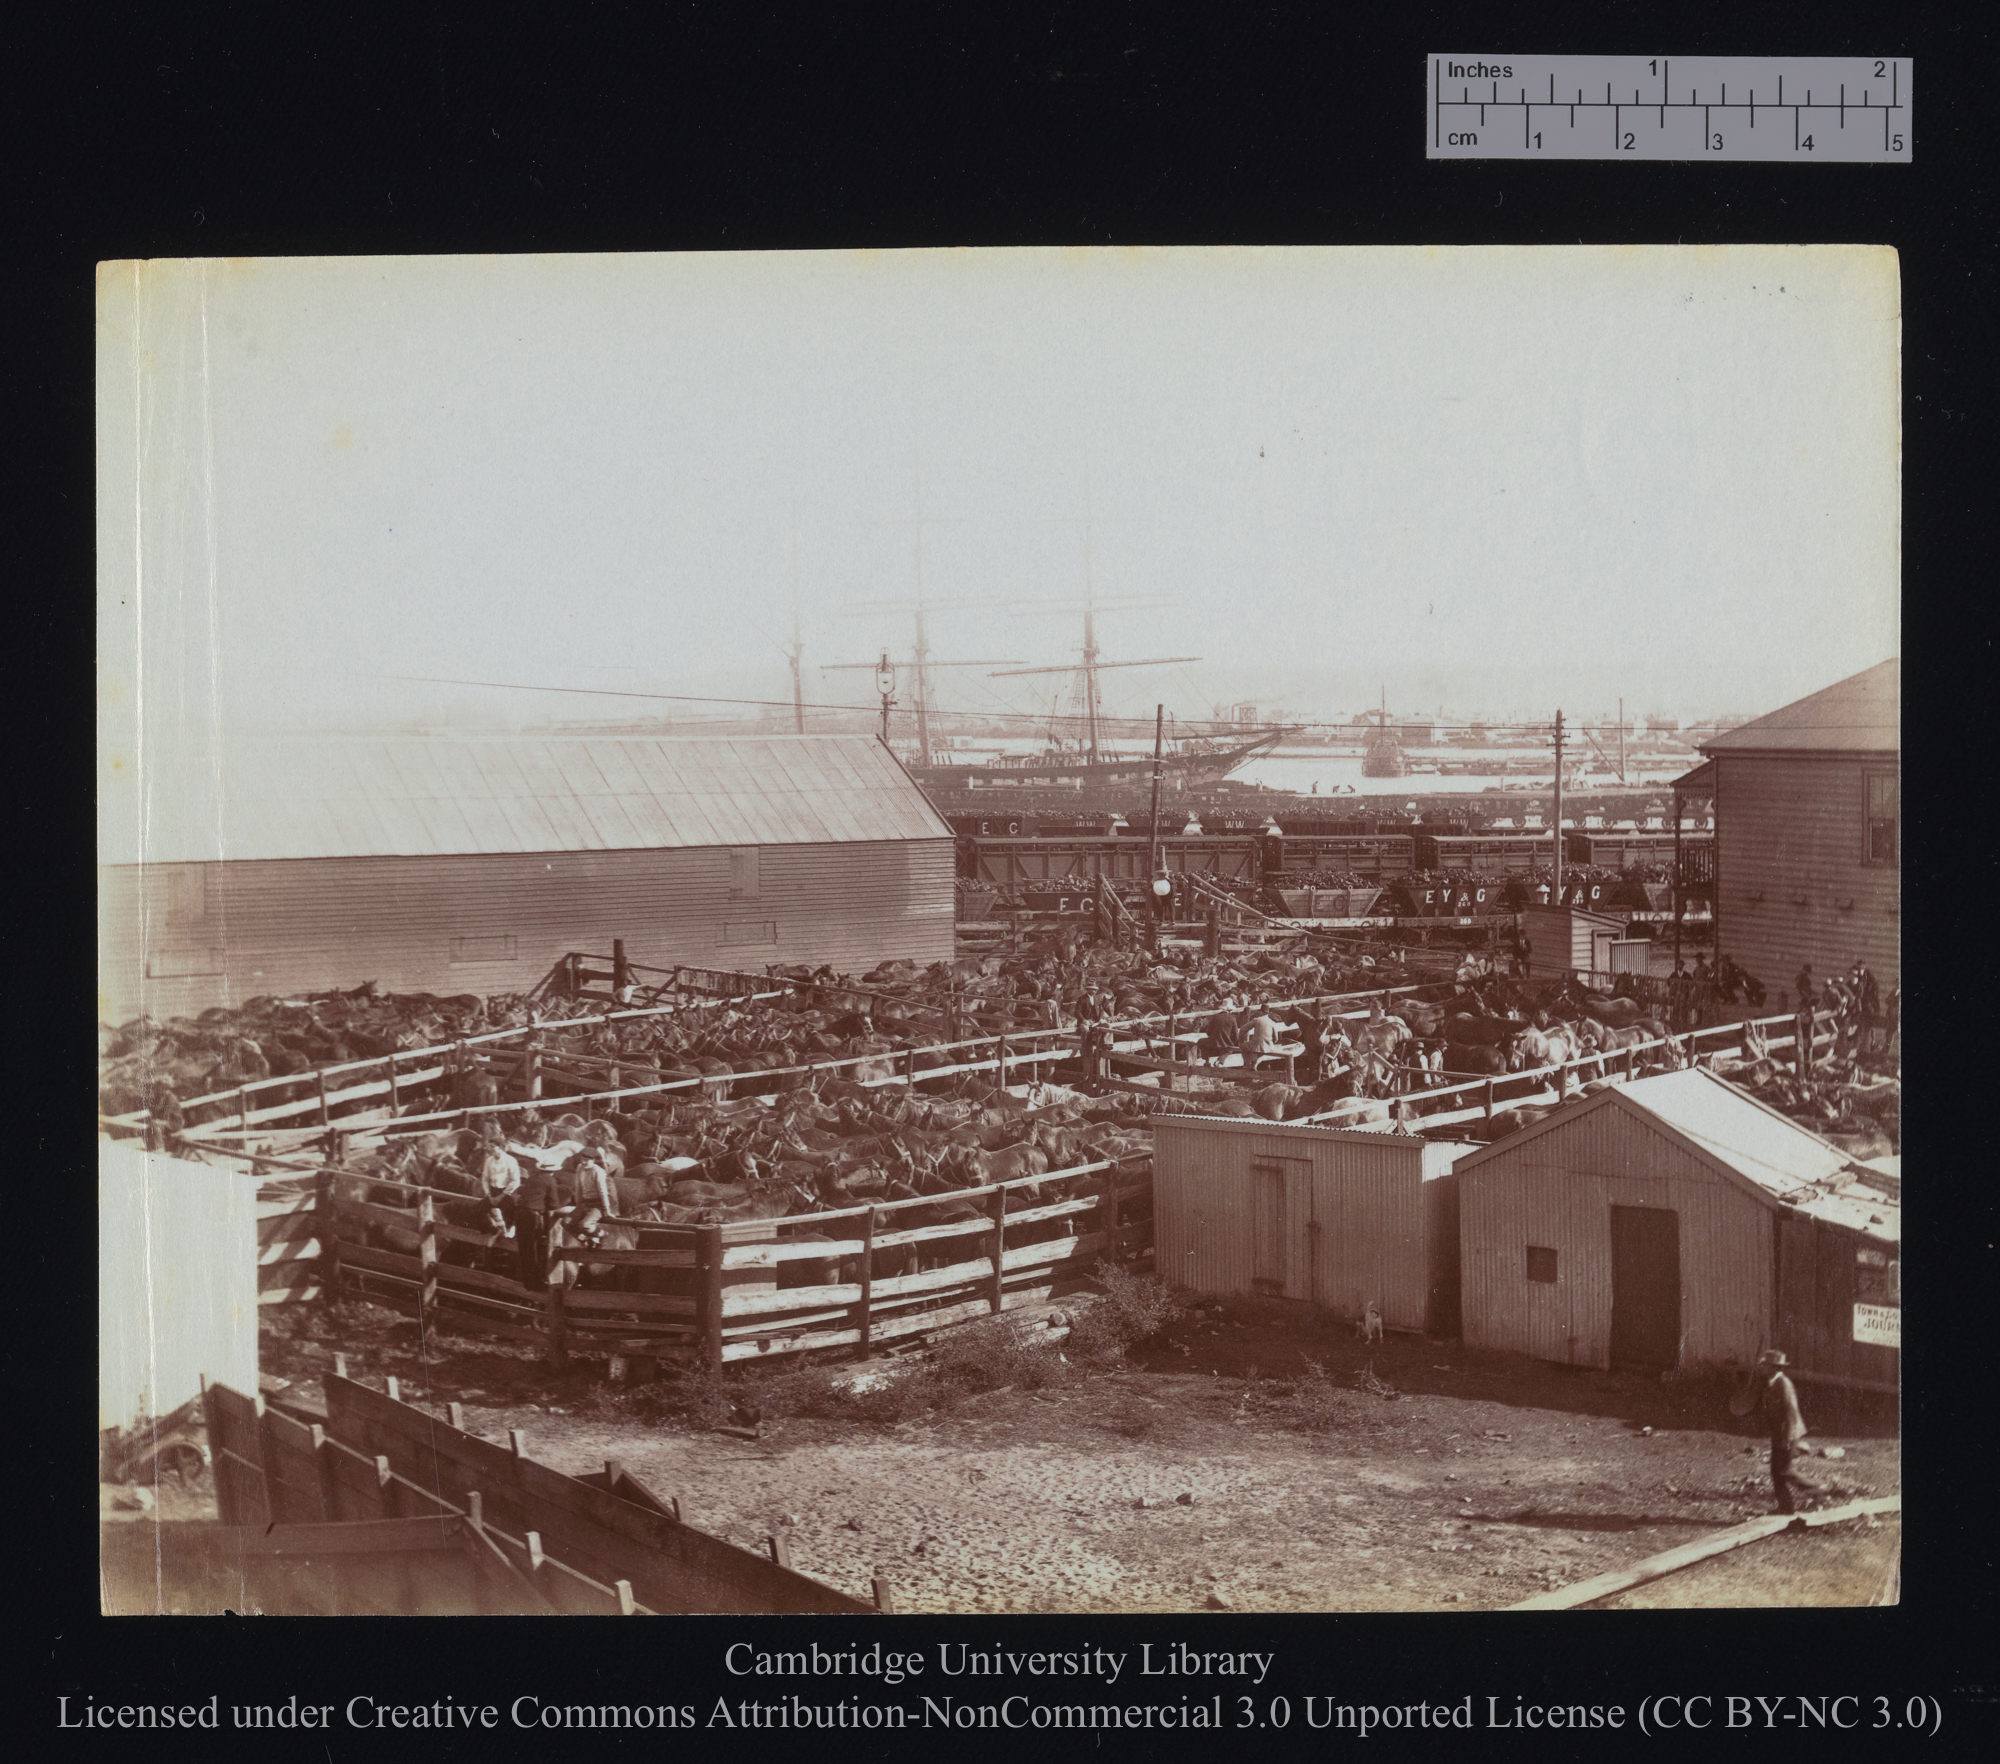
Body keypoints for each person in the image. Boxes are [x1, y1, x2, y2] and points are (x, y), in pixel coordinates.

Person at [1755, 1349, 1818, 1515]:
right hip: (1779, 1434)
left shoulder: (1784, 1384)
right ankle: (1786, 1508)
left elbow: (1791, 1413)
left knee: (1785, 1471)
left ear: (1775, 1368)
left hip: (1788, 1434)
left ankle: (1815, 1487)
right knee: (1776, 1472)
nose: (1762, 1367)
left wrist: (1786, 1439)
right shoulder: (1771, 1383)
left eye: (1765, 1365)